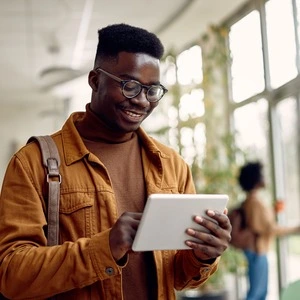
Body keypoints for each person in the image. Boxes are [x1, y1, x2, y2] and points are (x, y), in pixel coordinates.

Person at [0, 23, 231, 299]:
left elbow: (180, 278)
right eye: (129, 86)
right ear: (95, 80)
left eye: (152, 90)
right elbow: (11, 275)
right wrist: (105, 247)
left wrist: (203, 255)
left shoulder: (171, 165)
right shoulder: (32, 162)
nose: (142, 101)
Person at [238, 161, 300, 300]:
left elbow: (259, 224)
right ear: (257, 179)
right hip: (257, 250)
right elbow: (268, 228)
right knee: (257, 294)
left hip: (255, 250)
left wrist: (272, 210)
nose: (265, 178)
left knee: (257, 292)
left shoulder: (250, 200)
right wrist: (295, 228)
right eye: (263, 175)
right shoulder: (255, 202)